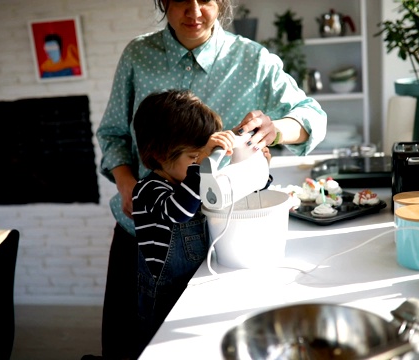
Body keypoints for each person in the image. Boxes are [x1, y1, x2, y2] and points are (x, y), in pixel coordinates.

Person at [92, 0, 327, 358]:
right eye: (181, 0)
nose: (194, 11)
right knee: (131, 347)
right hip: (139, 238)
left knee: (204, 345)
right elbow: (111, 134)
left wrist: (275, 130)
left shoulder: (253, 60)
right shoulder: (139, 55)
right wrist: (126, 182)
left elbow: (312, 117)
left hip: (220, 239)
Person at [130, 88, 236, 356]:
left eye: (204, 157)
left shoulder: (190, 181)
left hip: (195, 283)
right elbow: (179, 211)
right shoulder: (148, 190)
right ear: (158, 154)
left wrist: (251, 167)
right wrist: (202, 169)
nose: (201, 164)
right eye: (193, 158)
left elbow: (228, 194)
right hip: (163, 298)